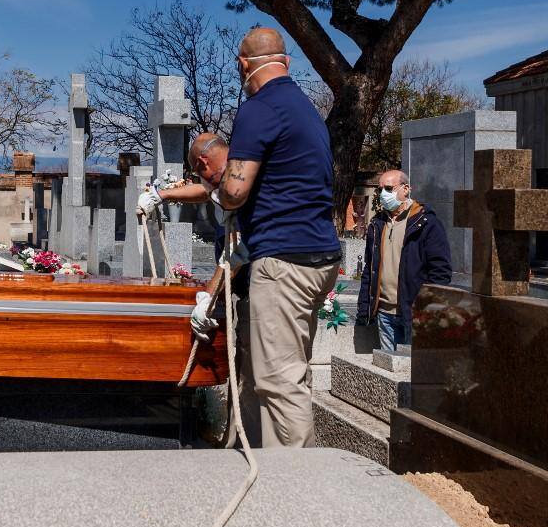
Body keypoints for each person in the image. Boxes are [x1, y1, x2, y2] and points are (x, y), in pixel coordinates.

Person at [212, 27, 342, 448]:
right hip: (316, 254)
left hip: (283, 259)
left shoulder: (259, 108)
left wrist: (222, 196)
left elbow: (234, 189)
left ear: (243, 65)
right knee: (277, 372)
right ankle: (252, 458)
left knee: (280, 382)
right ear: (285, 61)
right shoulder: (305, 109)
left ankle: (292, 488)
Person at [137, 132, 256, 446]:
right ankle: (235, 442)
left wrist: (209, 295)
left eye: (200, 172)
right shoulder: (229, 173)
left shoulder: (238, 183)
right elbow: (204, 191)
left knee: (253, 381)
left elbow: (237, 250)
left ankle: (251, 447)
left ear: (204, 162)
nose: (204, 181)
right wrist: (163, 195)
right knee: (242, 377)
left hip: (251, 283)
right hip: (241, 283)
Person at [357, 170, 452, 350]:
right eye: (380, 190)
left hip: (412, 314)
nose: (383, 194)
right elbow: (369, 271)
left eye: (389, 188)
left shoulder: (426, 223)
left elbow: (440, 271)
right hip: (384, 313)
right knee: (385, 373)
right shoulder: (378, 224)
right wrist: (364, 310)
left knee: (411, 373)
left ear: (406, 189)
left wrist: (427, 310)